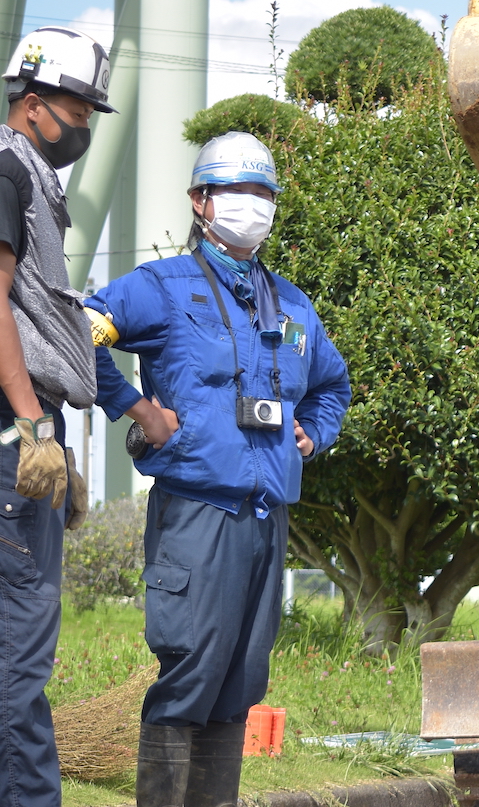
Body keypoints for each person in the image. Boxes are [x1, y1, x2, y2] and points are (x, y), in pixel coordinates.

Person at [87, 131, 351, 807]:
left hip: (267, 517)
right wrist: (136, 407)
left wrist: (312, 434)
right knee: (191, 671)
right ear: (201, 200)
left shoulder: (292, 307)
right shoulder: (164, 288)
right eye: (239, 191)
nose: (253, 206)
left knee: (240, 679)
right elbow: (80, 327)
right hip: (197, 513)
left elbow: (331, 383)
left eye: (263, 193)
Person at [0, 27, 110, 807]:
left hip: (20, 433)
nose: (88, 124)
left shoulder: (31, 178)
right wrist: (35, 424)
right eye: (79, 108)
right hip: (13, 438)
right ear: (33, 104)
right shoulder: (8, 169)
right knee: (20, 653)